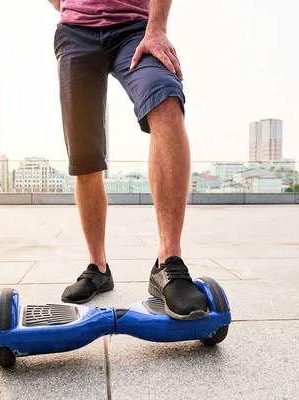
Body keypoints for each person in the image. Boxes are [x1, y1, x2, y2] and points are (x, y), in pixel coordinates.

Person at [48, 0, 208, 320]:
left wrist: (157, 28)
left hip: (137, 28)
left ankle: (169, 262)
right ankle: (98, 267)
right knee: (83, 152)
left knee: (166, 98)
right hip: (76, 32)